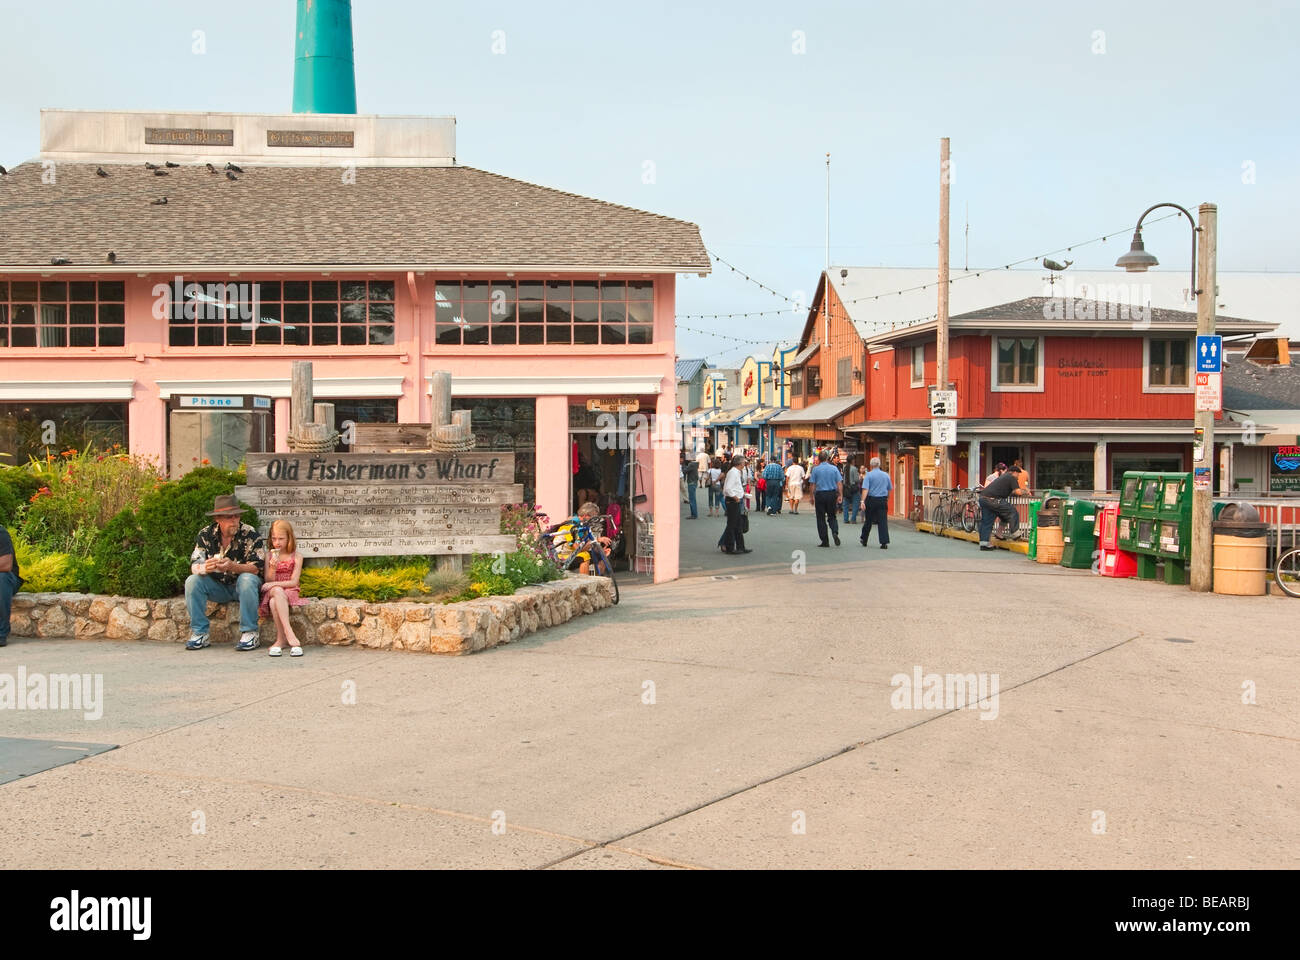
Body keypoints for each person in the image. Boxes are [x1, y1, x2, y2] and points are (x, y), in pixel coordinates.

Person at [185, 494, 266, 650]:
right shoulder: (206, 534)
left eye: (237, 516)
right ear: (218, 519)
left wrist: (232, 566)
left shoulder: (249, 533)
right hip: (218, 586)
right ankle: (200, 633)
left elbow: (256, 567)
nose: (234, 520)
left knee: (247, 579)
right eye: (229, 517)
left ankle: (250, 632)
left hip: (242, 587)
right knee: (192, 581)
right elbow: (195, 563)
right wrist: (204, 568)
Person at [259, 519, 308, 657]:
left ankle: (281, 639)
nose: (277, 542)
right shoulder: (269, 555)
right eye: (274, 538)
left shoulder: (297, 556)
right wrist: (273, 568)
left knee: (275, 600)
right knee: (276, 594)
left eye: (281, 538)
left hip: (289, 590)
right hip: (274, 590)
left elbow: (294, 582)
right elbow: (268, 580)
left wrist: (274, 584)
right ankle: (289, 633)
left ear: (289, 538)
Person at [978, 466, 1026, 550]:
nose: (1018, 477)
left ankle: (985, 543)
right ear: (1014, 472)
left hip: (984, 498)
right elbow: (1018, 492)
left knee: (987, 521)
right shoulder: (1011, 477)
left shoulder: (1003, 477)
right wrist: (1026, 491)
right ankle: (1015, 533)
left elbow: (1007, 492)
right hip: (993, 500)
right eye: (1018, 474)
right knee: (1012, 511)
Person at [718, 454, 752, 554]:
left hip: (736, 499)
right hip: (732, 501)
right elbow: (728, 488)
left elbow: (734, 487)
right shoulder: (733, 473)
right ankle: (730, 547)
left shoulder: (736, 472)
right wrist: (735, 497)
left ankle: (740, 546)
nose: (744, 464)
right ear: (740, 463)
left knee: (738, 525)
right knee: (732, 525)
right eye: (743, 462)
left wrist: (742, 494)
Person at [808, 452, 843, 547]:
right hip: (831, 494)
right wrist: (840, 495)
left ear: (819, 459)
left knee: (821, 518)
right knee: (832, 516)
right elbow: (839, 482)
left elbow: (812, 484)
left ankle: (825, 540)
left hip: (820, 494)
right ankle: (835, 531)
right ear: (828, 458)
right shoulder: (834, 468)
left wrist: (811, 496)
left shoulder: (816, 469)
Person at [859, 456, 893, 549]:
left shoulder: (868, 475)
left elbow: (865, 489)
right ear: (879, 464)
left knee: (868, 520)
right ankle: (884, 542)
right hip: (882, 499)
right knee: (882, 521)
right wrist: (887, 497)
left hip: (871, 499)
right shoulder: (886, 475)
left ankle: (864, 539)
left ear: (871, 465)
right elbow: (889, 488)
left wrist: (862, 501)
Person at [0, 524, 23, 647]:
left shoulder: (1, 533)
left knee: (1, 578)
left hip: (8, 579)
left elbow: (5, 565)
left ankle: (1, 633)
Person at [842, 457, 861, 524]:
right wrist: (860, 478)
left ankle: (845, 518)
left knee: (845, 504)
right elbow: (856, 479)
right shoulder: (854, 468)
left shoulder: (845, 468)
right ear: (852, 460)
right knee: (855, 503)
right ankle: (853, 519)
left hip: (845, 487)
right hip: (853, 488)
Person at [681, 449, 699, 519]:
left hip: (691, 482)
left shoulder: (691, 464)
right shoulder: (695, 464)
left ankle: (694, 514)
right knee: (692, 499)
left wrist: (683, 465)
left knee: (692, 499)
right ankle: (694, 514)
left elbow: (684, 471)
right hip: (694, 482)